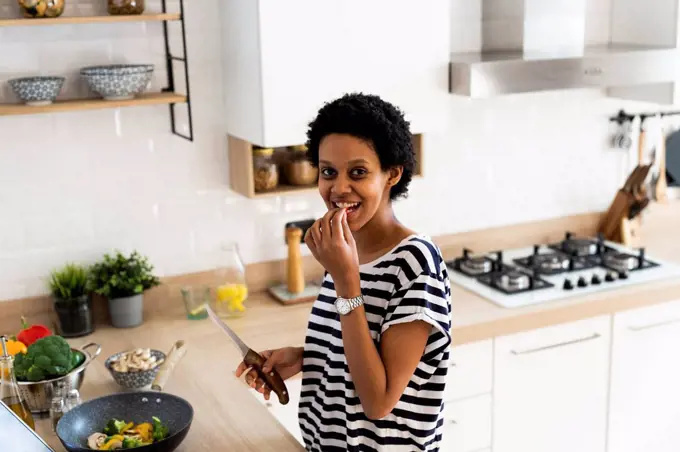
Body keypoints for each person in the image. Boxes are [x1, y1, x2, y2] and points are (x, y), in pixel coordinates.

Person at [235, 92, 452, 451]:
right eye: (328, 172)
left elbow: (379, 401)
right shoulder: (346, 250)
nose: (338, 188)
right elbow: (362, 347)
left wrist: (346, 280)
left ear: (392, 174)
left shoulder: (416, 263)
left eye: (358, 172)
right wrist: (309, 356)